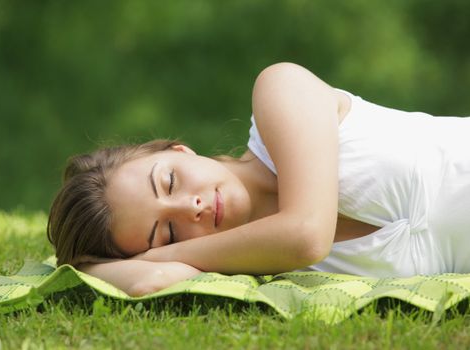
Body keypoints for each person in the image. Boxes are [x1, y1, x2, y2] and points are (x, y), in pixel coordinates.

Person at [47, 62, 470, 296]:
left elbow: (306, 234)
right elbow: (150, 284)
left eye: (170, 182)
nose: (188, 207)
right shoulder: (248, 263)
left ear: (179, 150)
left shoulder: (279, 91)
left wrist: (150, 254)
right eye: (168, 233)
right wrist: (105, 269)